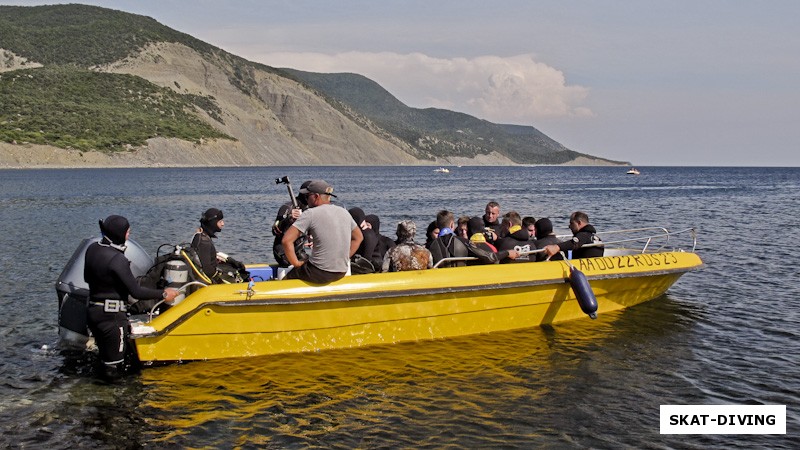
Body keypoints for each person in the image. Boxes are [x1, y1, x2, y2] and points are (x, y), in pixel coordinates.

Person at [84, 215, 179, 380]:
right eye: (128, 232)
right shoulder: (117, 259)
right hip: (112, 318)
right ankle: (112, 403)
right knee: (115, 368)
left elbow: (86, 278)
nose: (129, 235)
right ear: (120, 234)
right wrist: (164, 294)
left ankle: (97, 397)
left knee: (104, 361)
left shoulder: (92, 249)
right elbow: (136, 292)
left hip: (94, 312)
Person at [282, 180, 363, 283]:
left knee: (287, 278)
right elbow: (358, 238)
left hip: (318, 272)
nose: (306, 199)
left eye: (307, 196)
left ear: (316, 196)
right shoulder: (344, 212)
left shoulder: (310, 214)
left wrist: (297, 264)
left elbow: (286, 241)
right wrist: (345, 257)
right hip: (341, 271)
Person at [429, 210, 519, 267]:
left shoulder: (429, 245)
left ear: (437, 225)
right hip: (459, 280)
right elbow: (489, 257)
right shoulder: (463, 242)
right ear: (452, 224)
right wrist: (507, 253)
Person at [191, 208, 245, 283]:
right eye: (220, 221)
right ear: (212, 223)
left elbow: (209, 255)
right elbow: (207, 270)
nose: (223, 224)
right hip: (210, 282)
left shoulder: (201, 236)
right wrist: (222, 279)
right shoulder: (204, 242)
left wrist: (230, 260)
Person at [271, 180, 311, 267]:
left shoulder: (309, 209)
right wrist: (288, 218)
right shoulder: (287, 207)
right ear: (307, 195)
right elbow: (275, 230)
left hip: (299, 250)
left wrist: (312, 238)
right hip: (283, 251)